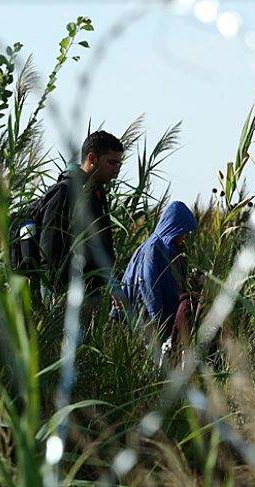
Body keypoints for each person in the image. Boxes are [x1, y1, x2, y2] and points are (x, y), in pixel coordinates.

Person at [39, 130, 124, 327]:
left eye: (119, 164)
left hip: (88, 292)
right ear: (92, 158)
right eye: (111, 162)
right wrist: (60, 294)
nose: (116, 170)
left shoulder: (96, 195)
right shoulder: (65, 192)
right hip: (64, 295)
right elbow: (49, 250)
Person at [119, 201, 198, 364]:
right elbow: (148, 285)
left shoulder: (172, 249)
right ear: (174, 227)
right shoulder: (154, 248)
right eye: (184, 231)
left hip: (162, 316)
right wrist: (158, 320)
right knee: (150, 356)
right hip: (148, 315)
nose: (185, 236)